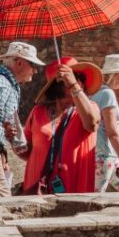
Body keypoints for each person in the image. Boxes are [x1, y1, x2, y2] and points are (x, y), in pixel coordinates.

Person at [18, 57, 101, 194]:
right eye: (72, 77)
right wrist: (14, 140)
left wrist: (73, 85)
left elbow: (91, 124)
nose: (78, 81)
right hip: (39, 187)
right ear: (56, 85)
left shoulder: (90, 108)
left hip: (74, 189)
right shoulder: (38, 112)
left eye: (79, 77)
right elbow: (27, 153)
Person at [0, 41, 45, 197]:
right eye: (33, 65)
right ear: (20, 63)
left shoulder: (9, 84)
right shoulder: (0, 83)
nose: (35, 71)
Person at [92, 54, 119, 192]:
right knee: (94, 198)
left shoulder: (94, 92)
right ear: (117, 74)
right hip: (105, 157)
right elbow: (113, 132)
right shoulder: (107, 94)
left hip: (107, 156)